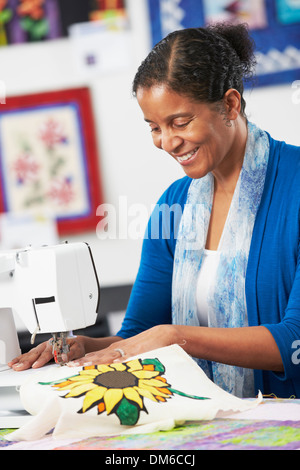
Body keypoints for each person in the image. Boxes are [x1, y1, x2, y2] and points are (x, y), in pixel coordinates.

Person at [9, 23, 300, 399]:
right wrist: (89, 346)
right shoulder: (175, 206)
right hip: (208, 421)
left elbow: (293, 341)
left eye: (180, 122)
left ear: (230, 104)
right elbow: (138, 335)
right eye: (154, 127)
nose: (167, 142)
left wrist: (176, 336)